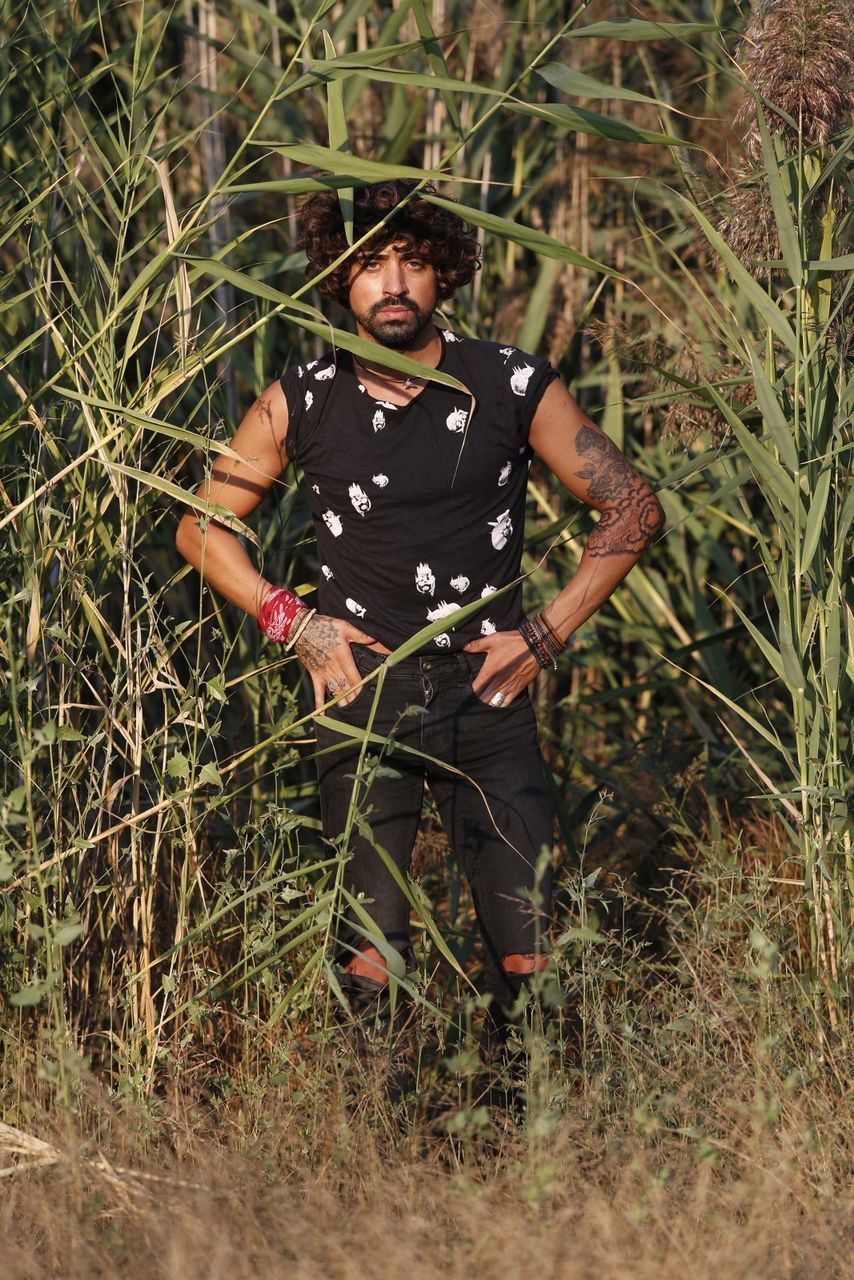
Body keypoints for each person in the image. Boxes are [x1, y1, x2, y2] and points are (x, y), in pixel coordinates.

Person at [175, 180, 664, 1075]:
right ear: (338, 278)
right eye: (368, 265)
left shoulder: (508, 383)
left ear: (444, 274)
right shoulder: (303, 397)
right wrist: (296, 624)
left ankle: (528, 1140)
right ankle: (377, 1156)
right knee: (369, 956)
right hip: (364, 696)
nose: (392, 283)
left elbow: (630, 505)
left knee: (529, 951)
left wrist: (546, 634)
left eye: (412, 262)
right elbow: (200, 524)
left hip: (490, 697)